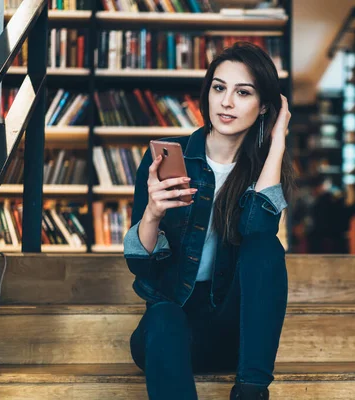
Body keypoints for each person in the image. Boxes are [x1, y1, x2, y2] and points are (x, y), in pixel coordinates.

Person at [123, 42, 296, 400]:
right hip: (171, 333)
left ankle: (250, 391)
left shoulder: (265, 171)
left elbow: (258, 233)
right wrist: (153, 213)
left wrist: (276, 142)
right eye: (219, 88)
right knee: (163, 316)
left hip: (234, 335)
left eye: (243, 92)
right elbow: (140, 265)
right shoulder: (168, 159)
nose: (226, 102)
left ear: (264, 105)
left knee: (266, 246)